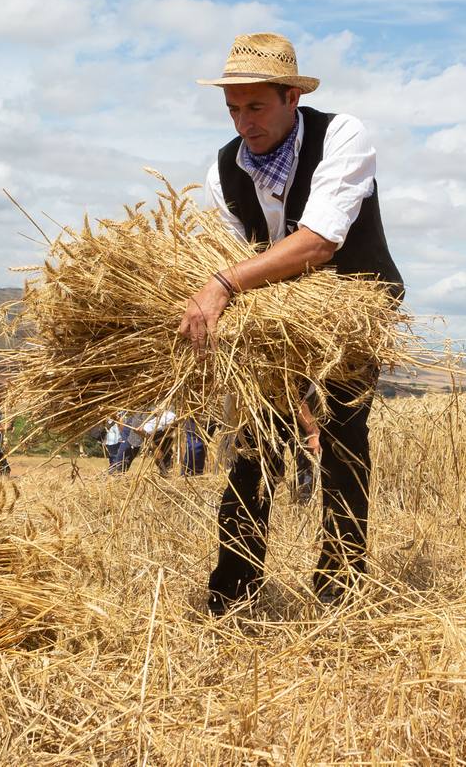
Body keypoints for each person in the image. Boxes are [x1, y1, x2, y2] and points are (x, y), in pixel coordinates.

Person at [181, 32, 404, 615]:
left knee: (342, 442)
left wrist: (224, 285)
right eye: (233, 109)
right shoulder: (224, 171)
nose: (243, 123)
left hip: (350, 313)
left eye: (256, 107)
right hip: (270, 321)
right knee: (257, 442)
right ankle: (233, 587)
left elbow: (321, 242)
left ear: (290, 98)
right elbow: (239, 251)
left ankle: (340, 583)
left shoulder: (342, 137)